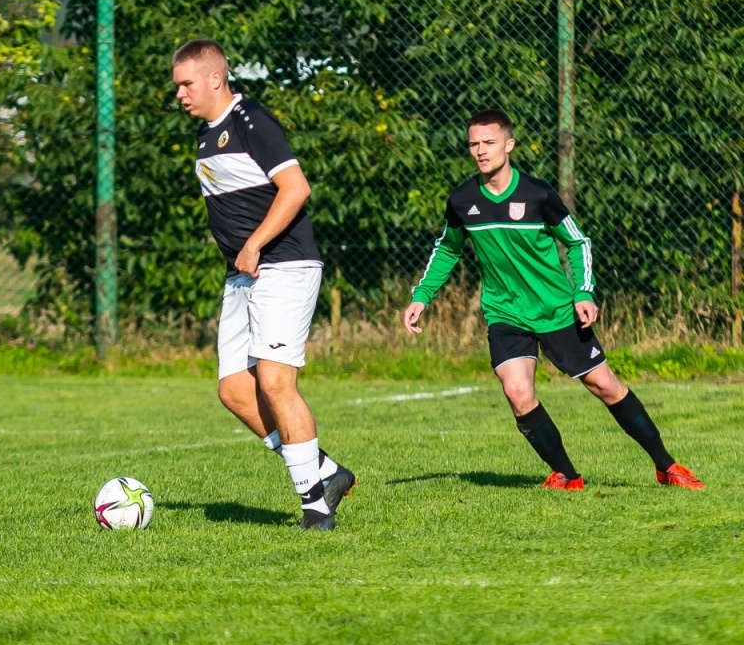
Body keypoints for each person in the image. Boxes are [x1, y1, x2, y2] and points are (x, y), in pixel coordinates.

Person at [402, 109, 703, 491]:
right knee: (517, 392)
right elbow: (447, 249)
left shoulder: (538, 194)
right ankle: (567, 474)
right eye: (473, 144)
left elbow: (578, 242)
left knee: (606, 386)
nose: (480, 150)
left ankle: (667, 466)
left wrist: (583, 292)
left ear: (509, 145)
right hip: (505, 312)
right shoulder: (462, 200)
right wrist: (422, 296)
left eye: (489, 142)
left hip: (557, 310)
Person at [172, 40, 355, 529]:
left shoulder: (251, 120)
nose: (181, 95)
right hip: (244, 276)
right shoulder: (205, 136)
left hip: (284, 266)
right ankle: (324, 470)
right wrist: (243, 257)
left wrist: (254, 243)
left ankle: (315, 507)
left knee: (275, 381)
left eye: (187, 84)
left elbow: (297, 189)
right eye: (177, 87)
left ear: (215, 78)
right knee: (234, 390)